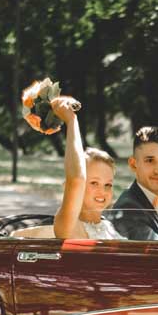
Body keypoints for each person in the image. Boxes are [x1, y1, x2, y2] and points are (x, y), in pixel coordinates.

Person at [28, 95, 122, 240]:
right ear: (68, 187)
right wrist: (72, 121)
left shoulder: (109, 227)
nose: (102, 191)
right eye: (94, 183)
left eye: (108, 185)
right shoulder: (69, 226)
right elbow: (77, 178)